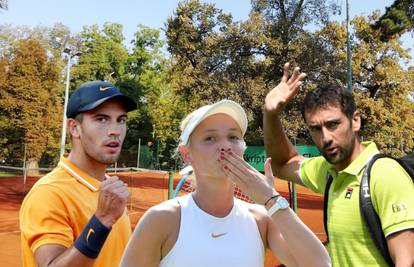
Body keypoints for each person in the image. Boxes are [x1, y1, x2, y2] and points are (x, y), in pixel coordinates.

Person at [120, 99, 331, 267]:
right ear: (186, 154)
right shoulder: (162, 219)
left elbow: (320, 264)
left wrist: (271, 200)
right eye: (210, 138)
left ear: (243, 148)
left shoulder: (262, 219)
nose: (225, 146)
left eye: (233, 137)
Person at [263, 63, 414, 266]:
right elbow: (281, 163)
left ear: (355, 120)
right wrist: (270, 114)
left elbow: (407, 261)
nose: (326, 138)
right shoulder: (327, 171)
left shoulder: (384, 174)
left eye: (333, 124)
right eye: (316, 129)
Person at [20, 81, 137, 267]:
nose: (115, 131)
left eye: (121, 120)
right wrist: (101, 221)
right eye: (101, 119)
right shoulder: (50, 193)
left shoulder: (108, 189)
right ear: (75, 128)